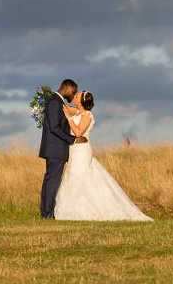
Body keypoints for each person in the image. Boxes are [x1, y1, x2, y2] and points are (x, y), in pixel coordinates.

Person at [54, 90, 153, 221]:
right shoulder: (78, 112)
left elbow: (78, 132)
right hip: (74, 150)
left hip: (82, 150)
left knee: (81, 175)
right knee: (72, 175)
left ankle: (86, 209)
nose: (74, 97)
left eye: (77, 96)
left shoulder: (87, 115)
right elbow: (64, 107)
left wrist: (68, 117)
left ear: (81, 101)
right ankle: (71, 208)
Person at [38, 79, 78, 219]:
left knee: (50, 181)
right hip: (55, 149)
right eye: (73, 92)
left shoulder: (56, 101)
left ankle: (46, 212)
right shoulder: (55, 102)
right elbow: (55, 127)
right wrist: (72, 139)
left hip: (54, 149)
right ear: (66, 88)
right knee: (52, 182)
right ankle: (47, 214)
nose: (73, 96)